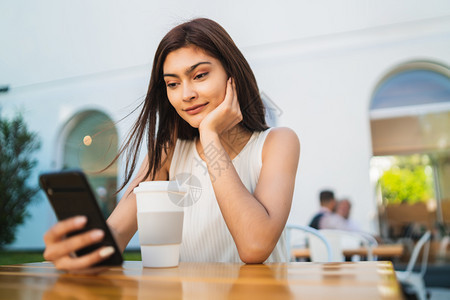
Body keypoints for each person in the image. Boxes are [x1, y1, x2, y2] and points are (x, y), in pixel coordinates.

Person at [43, 18, 300, 273]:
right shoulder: (169, 149)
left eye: (199, 75)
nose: (186, 95)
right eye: (173, 84)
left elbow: (254, 245)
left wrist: (210, 135)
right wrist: (81, 246)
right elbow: (117, 231)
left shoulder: (277, 143)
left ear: (232, 75)